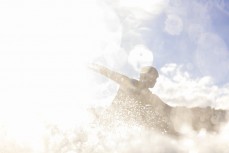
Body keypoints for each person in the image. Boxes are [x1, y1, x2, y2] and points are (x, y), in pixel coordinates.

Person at [89, 63, 176, 135]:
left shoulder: (150, 96)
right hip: (108, 123)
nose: (155, 81)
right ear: (145, 77)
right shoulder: (129, 83)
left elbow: (168, 109)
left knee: (160, 123)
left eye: (156, 78)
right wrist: (90, 64)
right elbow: (108, 72)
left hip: (123, 130)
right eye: (154, 77)